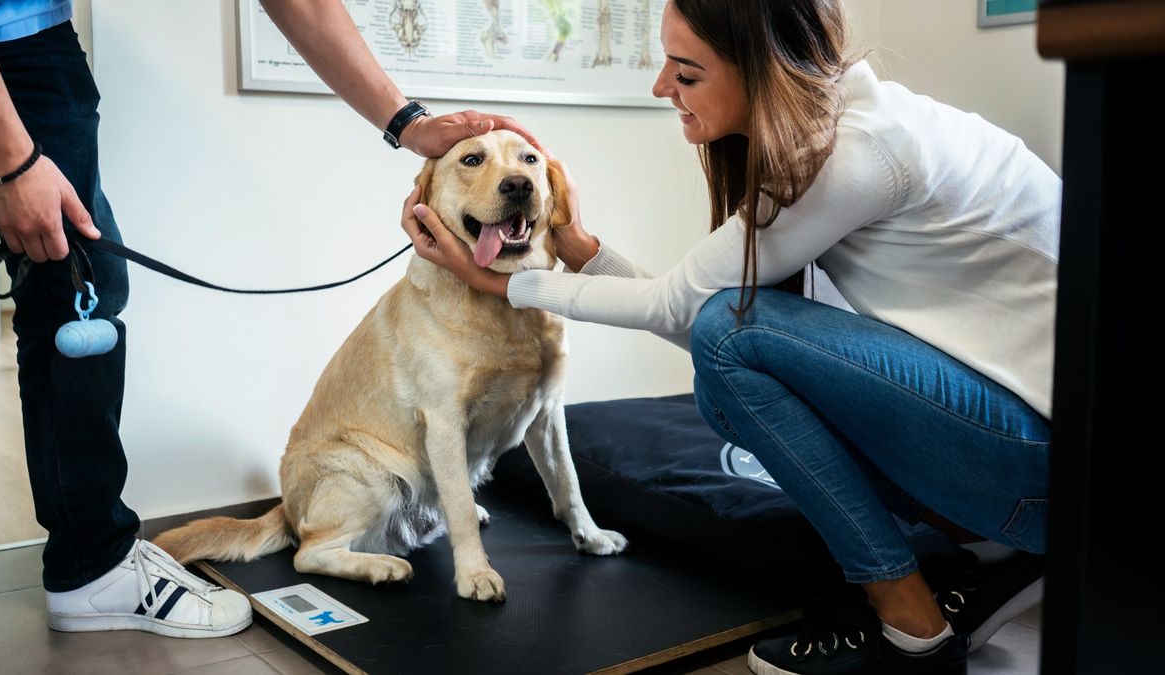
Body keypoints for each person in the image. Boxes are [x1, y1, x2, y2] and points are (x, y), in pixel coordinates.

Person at [402, 0, 1056, 673]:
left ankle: (909, 622)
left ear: (764, 71)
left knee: (726, 339)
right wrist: (576, 245)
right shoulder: (846, 128)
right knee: (726, 372)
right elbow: (725, 332)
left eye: (685, 73)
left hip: (1047, 468)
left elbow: (693, 313)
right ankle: (984, 553)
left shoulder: (858, 156)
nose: (662, 87)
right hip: (1039, 451)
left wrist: (506, 284)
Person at [0, 0, 536, 639]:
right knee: (71, 291)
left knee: (84, 283)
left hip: (32, 38)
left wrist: (405, 120)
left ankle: (90, 561)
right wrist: (9, 161)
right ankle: (92, 571)